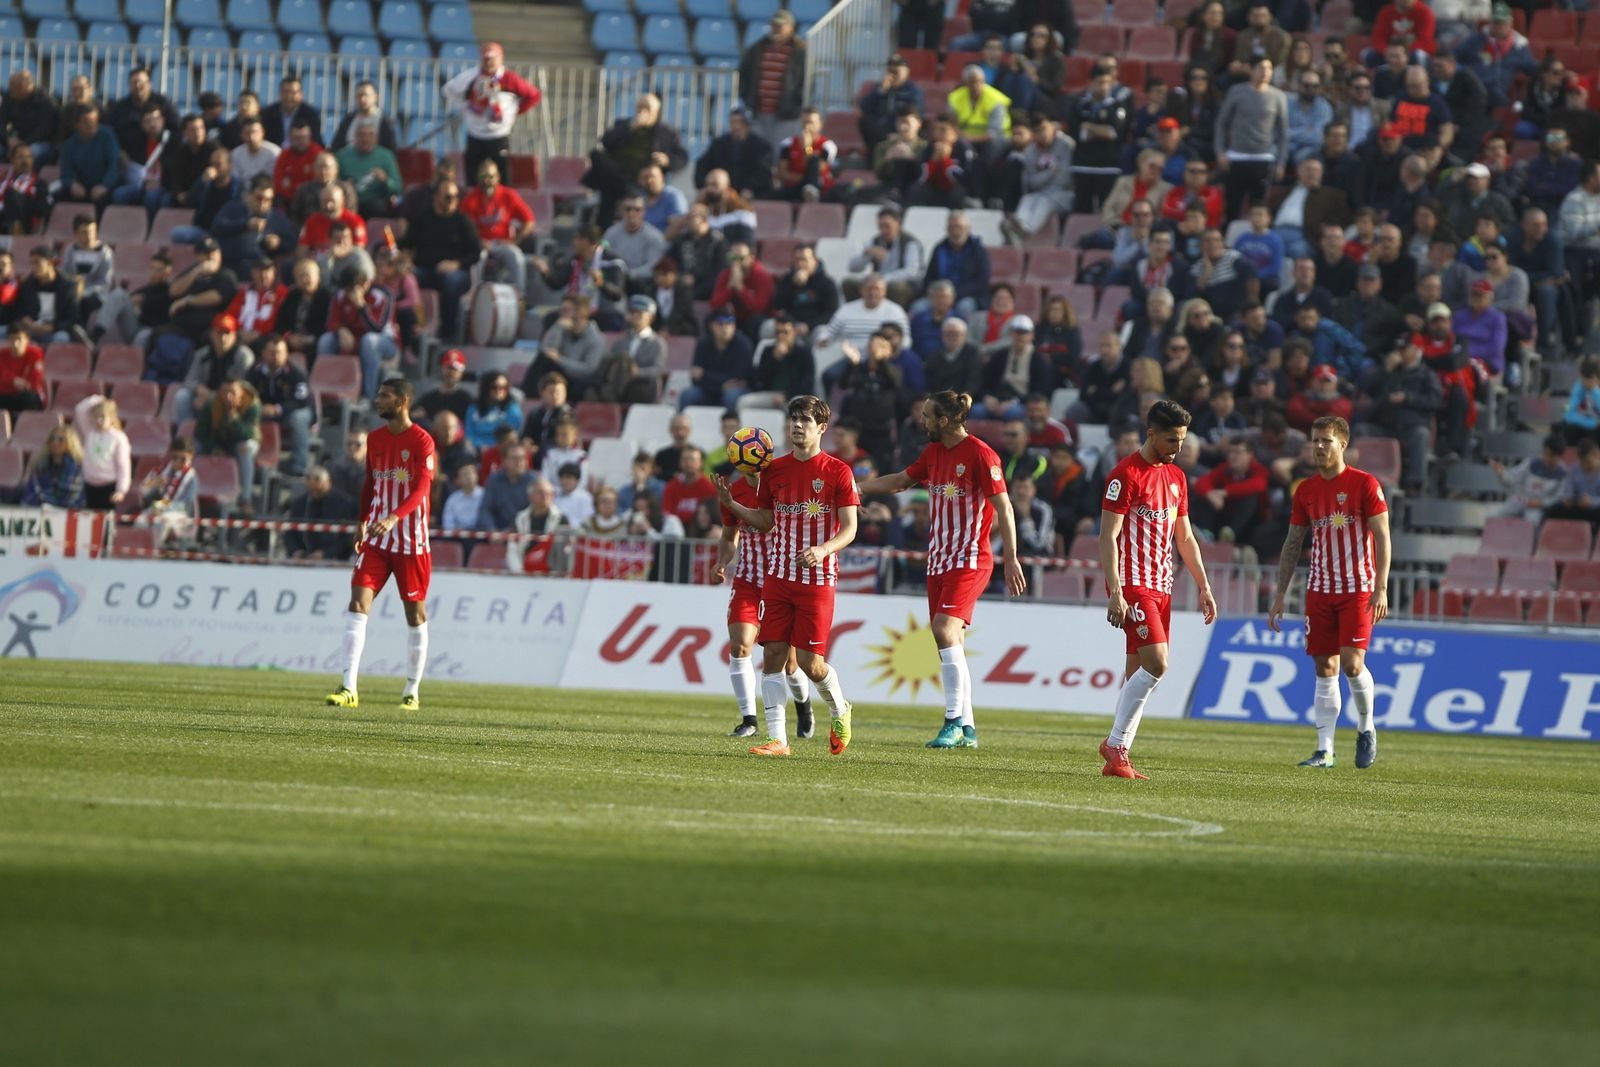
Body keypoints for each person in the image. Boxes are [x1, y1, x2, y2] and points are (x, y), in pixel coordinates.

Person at [856, 389, 1026, 746]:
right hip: (939, 560)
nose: (923, 421)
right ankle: (967, 728)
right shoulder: (933, 452)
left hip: (970, 559)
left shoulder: (981, 454)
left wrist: (1010, 558)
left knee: (944, 630)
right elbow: (901, 481)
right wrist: (855, 489)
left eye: (927, 416)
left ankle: (950, 722)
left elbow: (1005, 508)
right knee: (952, 642)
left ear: (944, 421)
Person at [714, 395, 860, 757]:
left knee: (811, 665)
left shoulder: (838, 471)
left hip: (819, 580)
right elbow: (767, 521)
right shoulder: (774, 471)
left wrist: (823, 549)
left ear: (821, 428)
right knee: (774, 654)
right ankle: (778, 739)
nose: (797, 425)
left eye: (805, 420)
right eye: (793, 419)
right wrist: (733, 505)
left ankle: (840, 708)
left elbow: (850, 528)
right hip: (778, 577)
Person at [1097, 400, 1218, 779]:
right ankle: (1115, 744)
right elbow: (1107, 536)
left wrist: (1204, 585)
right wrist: (1115, 590)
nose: (1177, 448)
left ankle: (1119, 754)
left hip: (1162, 586)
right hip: (1134, 586)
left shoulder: (1176, 478)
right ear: (1150, 434)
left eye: (1181, 440)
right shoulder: (1125, 475)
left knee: (1136, 672)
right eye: (1171, 440)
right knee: (1157, 664)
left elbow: (1184, 536)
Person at [1268, 415, 1391, 769]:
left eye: (1326, 441)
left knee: (1352, 664)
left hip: (1358, 589)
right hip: (1319, 589)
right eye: (1315, 440)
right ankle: (1325, 750)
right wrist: (1280, 595)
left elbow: (1382, 537)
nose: (1318, 447)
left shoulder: (1365, 484)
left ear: (1343, 445)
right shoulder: (1305, 490)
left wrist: (1381, 587)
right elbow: (1293, 542)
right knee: (1324, 667)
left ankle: (1366, 727)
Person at [324, 378, 434, 708]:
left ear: (402, 401)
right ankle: (348, 688)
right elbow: (370, 483)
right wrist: (362, 522)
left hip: (411, 542)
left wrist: (394, 518)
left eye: (384, 396)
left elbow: (421, 490)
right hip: (376, 540)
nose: (377, 401)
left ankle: (412, 691)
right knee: (357, 604)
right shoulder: (375, 439)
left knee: (415, 614)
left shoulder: (422, 441)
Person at [584, 93, 689, 228]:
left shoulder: (666, 132)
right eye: (640, 107)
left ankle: (625, 187)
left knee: (609, 187)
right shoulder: (623, 124)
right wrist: (630, 128)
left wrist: (667, 160)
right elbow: (605, 142)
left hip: (642, 177)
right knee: (596, 155)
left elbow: (682, 157)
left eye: (647, 108)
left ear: (656, 112)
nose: (643, 111)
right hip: (616, 172)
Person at [441, 43, 539, 183]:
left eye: (493, 58)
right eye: (486, 58)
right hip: (475, 136)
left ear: (501, 59)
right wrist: (464, 105)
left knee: (503, 179)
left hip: (499, 137)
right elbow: (448, 90)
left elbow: (534, 95)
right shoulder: (471, 77)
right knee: (472, 179)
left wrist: (516, 111)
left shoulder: (510, 79)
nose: (489, 62)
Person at [399, 179, 481, 343]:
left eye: (456, 197)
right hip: (425, 270)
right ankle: (411, 332)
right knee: (406, 278)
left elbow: (475, 253)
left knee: (451, 282)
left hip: (457, 272)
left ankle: (448, 333)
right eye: (448, 197)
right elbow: (406, 244)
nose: (453, 201)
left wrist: (456, 264)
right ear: (436, 197)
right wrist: (406, 260)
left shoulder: (463, 221)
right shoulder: (423, 218)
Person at [1215, 56, 1289, 221]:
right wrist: (1220, 151)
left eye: (1269, 68)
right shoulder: (1236, 91)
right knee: (1232, 206)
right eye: (1261, 68)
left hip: (1264, 157)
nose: (1265, 72)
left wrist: (1281, 162)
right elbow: (1221, 123)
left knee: (1259, 207)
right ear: (1251, 70)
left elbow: (1283, 132)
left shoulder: (1278, 96)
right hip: (1237, 156)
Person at [319, 268, 400, 403]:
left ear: (365, 284)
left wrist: (361, 306)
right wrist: (341, 330)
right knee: (325, 340)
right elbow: (331, 322)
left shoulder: (382, 295)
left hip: (386, 342)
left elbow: (377, 327)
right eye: (347, 289)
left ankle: (368, 397)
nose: (348, 293)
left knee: (369, 341)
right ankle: (325, 393)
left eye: (352, 289)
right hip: (353, 339)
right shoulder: (341, 295)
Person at [245, 334, 313, 476]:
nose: (276, 356)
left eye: (280, 352)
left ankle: (299, 464)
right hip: (263, 412)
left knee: (298, 418)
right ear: (263, 353)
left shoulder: (296, 372)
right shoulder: (255, 370)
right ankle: (250, 462)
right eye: (272, 352)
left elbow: (301, 399)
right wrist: (258, 407)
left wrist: (278, 409)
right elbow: (245, 393)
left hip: (292, 411)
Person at [739, 10, 806, 146]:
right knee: (759, 152)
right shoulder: (757, 49)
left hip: (786, 114)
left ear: (791, 27)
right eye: (774, 25)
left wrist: (796, 102)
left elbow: (805, 80)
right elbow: (743, 75)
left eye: (781, 25)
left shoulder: (800, 52)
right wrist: (746, 98)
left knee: (781, 153)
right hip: (759, 111)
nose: (777, 28)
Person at [195, 379, 262, 509]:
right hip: (220, 443)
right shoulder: (212, 404)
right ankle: (190, 491)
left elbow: (248, 434)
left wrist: (234, 418)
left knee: (244, 449)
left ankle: (245, 498)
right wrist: (213, 448)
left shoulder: (252, 404)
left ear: (241, 392)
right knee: (194, 446)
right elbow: (200, 433)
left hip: (245, 441)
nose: (228, 396)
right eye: (224, 392)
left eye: (232, 392)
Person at [134, 437, 200, 546]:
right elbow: (143, 493)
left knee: (161, 522)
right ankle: (138, 550)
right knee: (140, 521)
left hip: (180, 514)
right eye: (175, 458)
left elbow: (185, 503)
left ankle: (155, 550)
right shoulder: (161, 471)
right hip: (156, 508)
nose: (178, 462)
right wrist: (153, 484)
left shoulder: (191, 478)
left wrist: (162, 508)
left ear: (191, 457)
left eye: (182, 459)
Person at [72, 394, 131, 510]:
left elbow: (123, 466)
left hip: (108, 487)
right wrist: (98, 399)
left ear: (112, 418)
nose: (99, 420)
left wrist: (121, 490)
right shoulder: (89, 432)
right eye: (96, 416)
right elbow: (80, 409)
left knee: (104, 522)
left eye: (103, 417)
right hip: (88, 485)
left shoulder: (118, 438)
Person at [335, 119, 401, 219]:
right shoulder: (342, 155)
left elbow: (397, 187)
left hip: (376, 202)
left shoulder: (386, 156)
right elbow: (333, 181)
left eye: (370, 135)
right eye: (361, 135)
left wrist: (385, 180)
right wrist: (344, 185)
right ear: (355, 137)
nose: (365, 139)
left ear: (376, 138)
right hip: (348, 200)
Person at [57, 106, 121, 211]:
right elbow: (66, 171)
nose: (91, 124)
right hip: (82, 187)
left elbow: (114, 164)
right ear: (77, 125)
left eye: (94, 120)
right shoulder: (69, 145)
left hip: (104, 185)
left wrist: (104, 185)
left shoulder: (107, 135)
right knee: (60, 196)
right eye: (86, 121)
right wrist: (72, 184)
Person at [20, 425, 85, 508]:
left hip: (67, 513)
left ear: (70, 443)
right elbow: (32, 492)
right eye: (52, 439)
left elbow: (75, 497)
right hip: (40, 511)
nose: (55, 442)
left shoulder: (77, 468)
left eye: (60, 439)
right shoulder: (40, 466)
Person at [329, 81, 399, 154]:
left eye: (366, 95)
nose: (362, 99)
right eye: (359, 95)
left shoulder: (385, 122)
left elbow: (390, 149)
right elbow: (336, 145)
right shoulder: (349, 119)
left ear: (375, 97)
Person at [0, 322, 46, 415]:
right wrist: (13, 381)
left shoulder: (35, 354)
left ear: (27, 340)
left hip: (26, 398)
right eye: (12, 339)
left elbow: (34, 383)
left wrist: (10, 383)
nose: (16, 344)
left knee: (29, 396)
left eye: (19, 339)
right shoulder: (2, 355)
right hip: (7, 396)